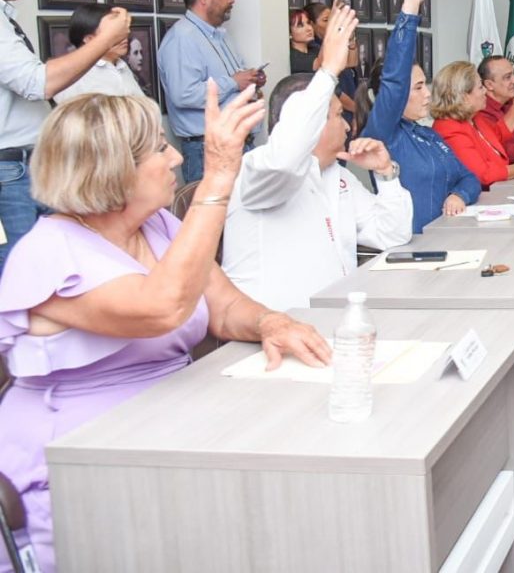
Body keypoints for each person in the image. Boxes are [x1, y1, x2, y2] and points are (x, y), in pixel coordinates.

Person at [0, 82, 331, 573]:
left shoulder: (156, 226)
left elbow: (221, 304)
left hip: (172, 428)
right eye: (160, 148)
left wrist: (269, 321)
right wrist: (217, 178)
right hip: (80, 464)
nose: (176, 156)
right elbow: (164, 307)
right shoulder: (48, 252)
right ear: (113, 168)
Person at [223, 4, 412, 310]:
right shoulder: (259, 171)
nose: (348, 126)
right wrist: (328, 73)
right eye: (337, 116)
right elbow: (286, 158)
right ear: (311, 122)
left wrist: (387, 174)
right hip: (275, 328)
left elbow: (393, 235)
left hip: (336, 320)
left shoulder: (338, 176)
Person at [0, 0, 131, 269]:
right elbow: (36, 83)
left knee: (51, 264)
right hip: (9, 171)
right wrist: (105, 40)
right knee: (20, 270)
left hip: (29, 164)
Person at [361, 0, 480, 233]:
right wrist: (409, 13)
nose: (427, 93)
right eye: (417, 88)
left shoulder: (427, 134)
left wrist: (459, 195)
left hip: (446, 238)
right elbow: (394, 81)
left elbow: (469, 178)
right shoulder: (383, 134)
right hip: (412, 245)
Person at [157, 0, 266, 182]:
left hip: (238, 144)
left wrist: (252, 82)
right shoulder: (182, 38)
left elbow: (236, 79)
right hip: (207, 151)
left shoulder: (220, 36)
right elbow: (184, 94)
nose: (232, 0)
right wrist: (234, 83)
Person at [432, 61, 514, 189]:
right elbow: (483, 175)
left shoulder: (474, 117)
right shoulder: (449, 128)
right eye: (480, 87)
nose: (485, 91)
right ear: (464, 97)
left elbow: (498, 135)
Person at [54, 3, 145, 104]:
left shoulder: (121, 66)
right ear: (89, 39)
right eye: (114, 32)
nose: (123, 37)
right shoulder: (72, 77)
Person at [288, 8, 319, 74]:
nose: (309, 28)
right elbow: (321, 64)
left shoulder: (315, 48)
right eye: (300, 25)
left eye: (308, 23)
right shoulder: (292, 56)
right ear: (290, 33)